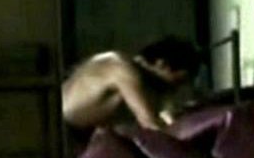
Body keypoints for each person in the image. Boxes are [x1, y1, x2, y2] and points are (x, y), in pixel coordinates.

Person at [62, 35, 202, 131]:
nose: (176, 89)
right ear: (162, 64)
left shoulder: (149, 84)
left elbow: (166, 117)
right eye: (179, 81)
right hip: (62, 130)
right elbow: (150, 125)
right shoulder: (122, 68)